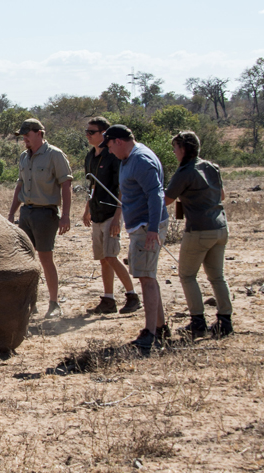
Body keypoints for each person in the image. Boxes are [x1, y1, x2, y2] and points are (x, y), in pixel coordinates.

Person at [102, 125, 170, 349]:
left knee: (146, 278)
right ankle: (160, 328)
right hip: (139, 226)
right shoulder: (128, 159)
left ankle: (150, 333)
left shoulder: (141, 160)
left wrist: (152, 228)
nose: (109, 151)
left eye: (110, 146)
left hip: (145, 227)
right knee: (147, 275)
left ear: (118, 141)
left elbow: (156, 194)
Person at [164, 131, 233, 339]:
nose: (174, 152)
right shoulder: (211, 167)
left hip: (199, 231)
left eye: (176, 148)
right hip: (220, 228)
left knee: (187, 275)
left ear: (183, 149)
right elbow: (221, 195)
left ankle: (197, 321)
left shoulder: (185, 171)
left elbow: (166, 199)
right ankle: (225, 321)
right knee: (217, 276)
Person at [6, 119, 73, 319]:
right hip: (26, 212)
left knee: (45, 259)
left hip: (46, 213)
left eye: (27, 134)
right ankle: (29, 303)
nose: (24, 138)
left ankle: (54, 304)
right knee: (25, 259)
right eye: (22, 135)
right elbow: (19, 186)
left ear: (39, 133)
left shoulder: (55, 155)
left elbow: (66, 186)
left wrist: (66, 216)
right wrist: (11, 213)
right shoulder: (24, 157)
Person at [81, 117, 140, 315]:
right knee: (104, 259)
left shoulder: (113, 155)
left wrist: (117, 216)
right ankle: (108, 299)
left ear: (104, 134)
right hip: (97, 212)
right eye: (87, 132)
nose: (88, 135)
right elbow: (92, 185)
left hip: (111, 214)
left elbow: (121, 187)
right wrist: (87, 208)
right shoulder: (90, 157)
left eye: (92, 132)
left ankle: (132, 296)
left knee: (111, 256)